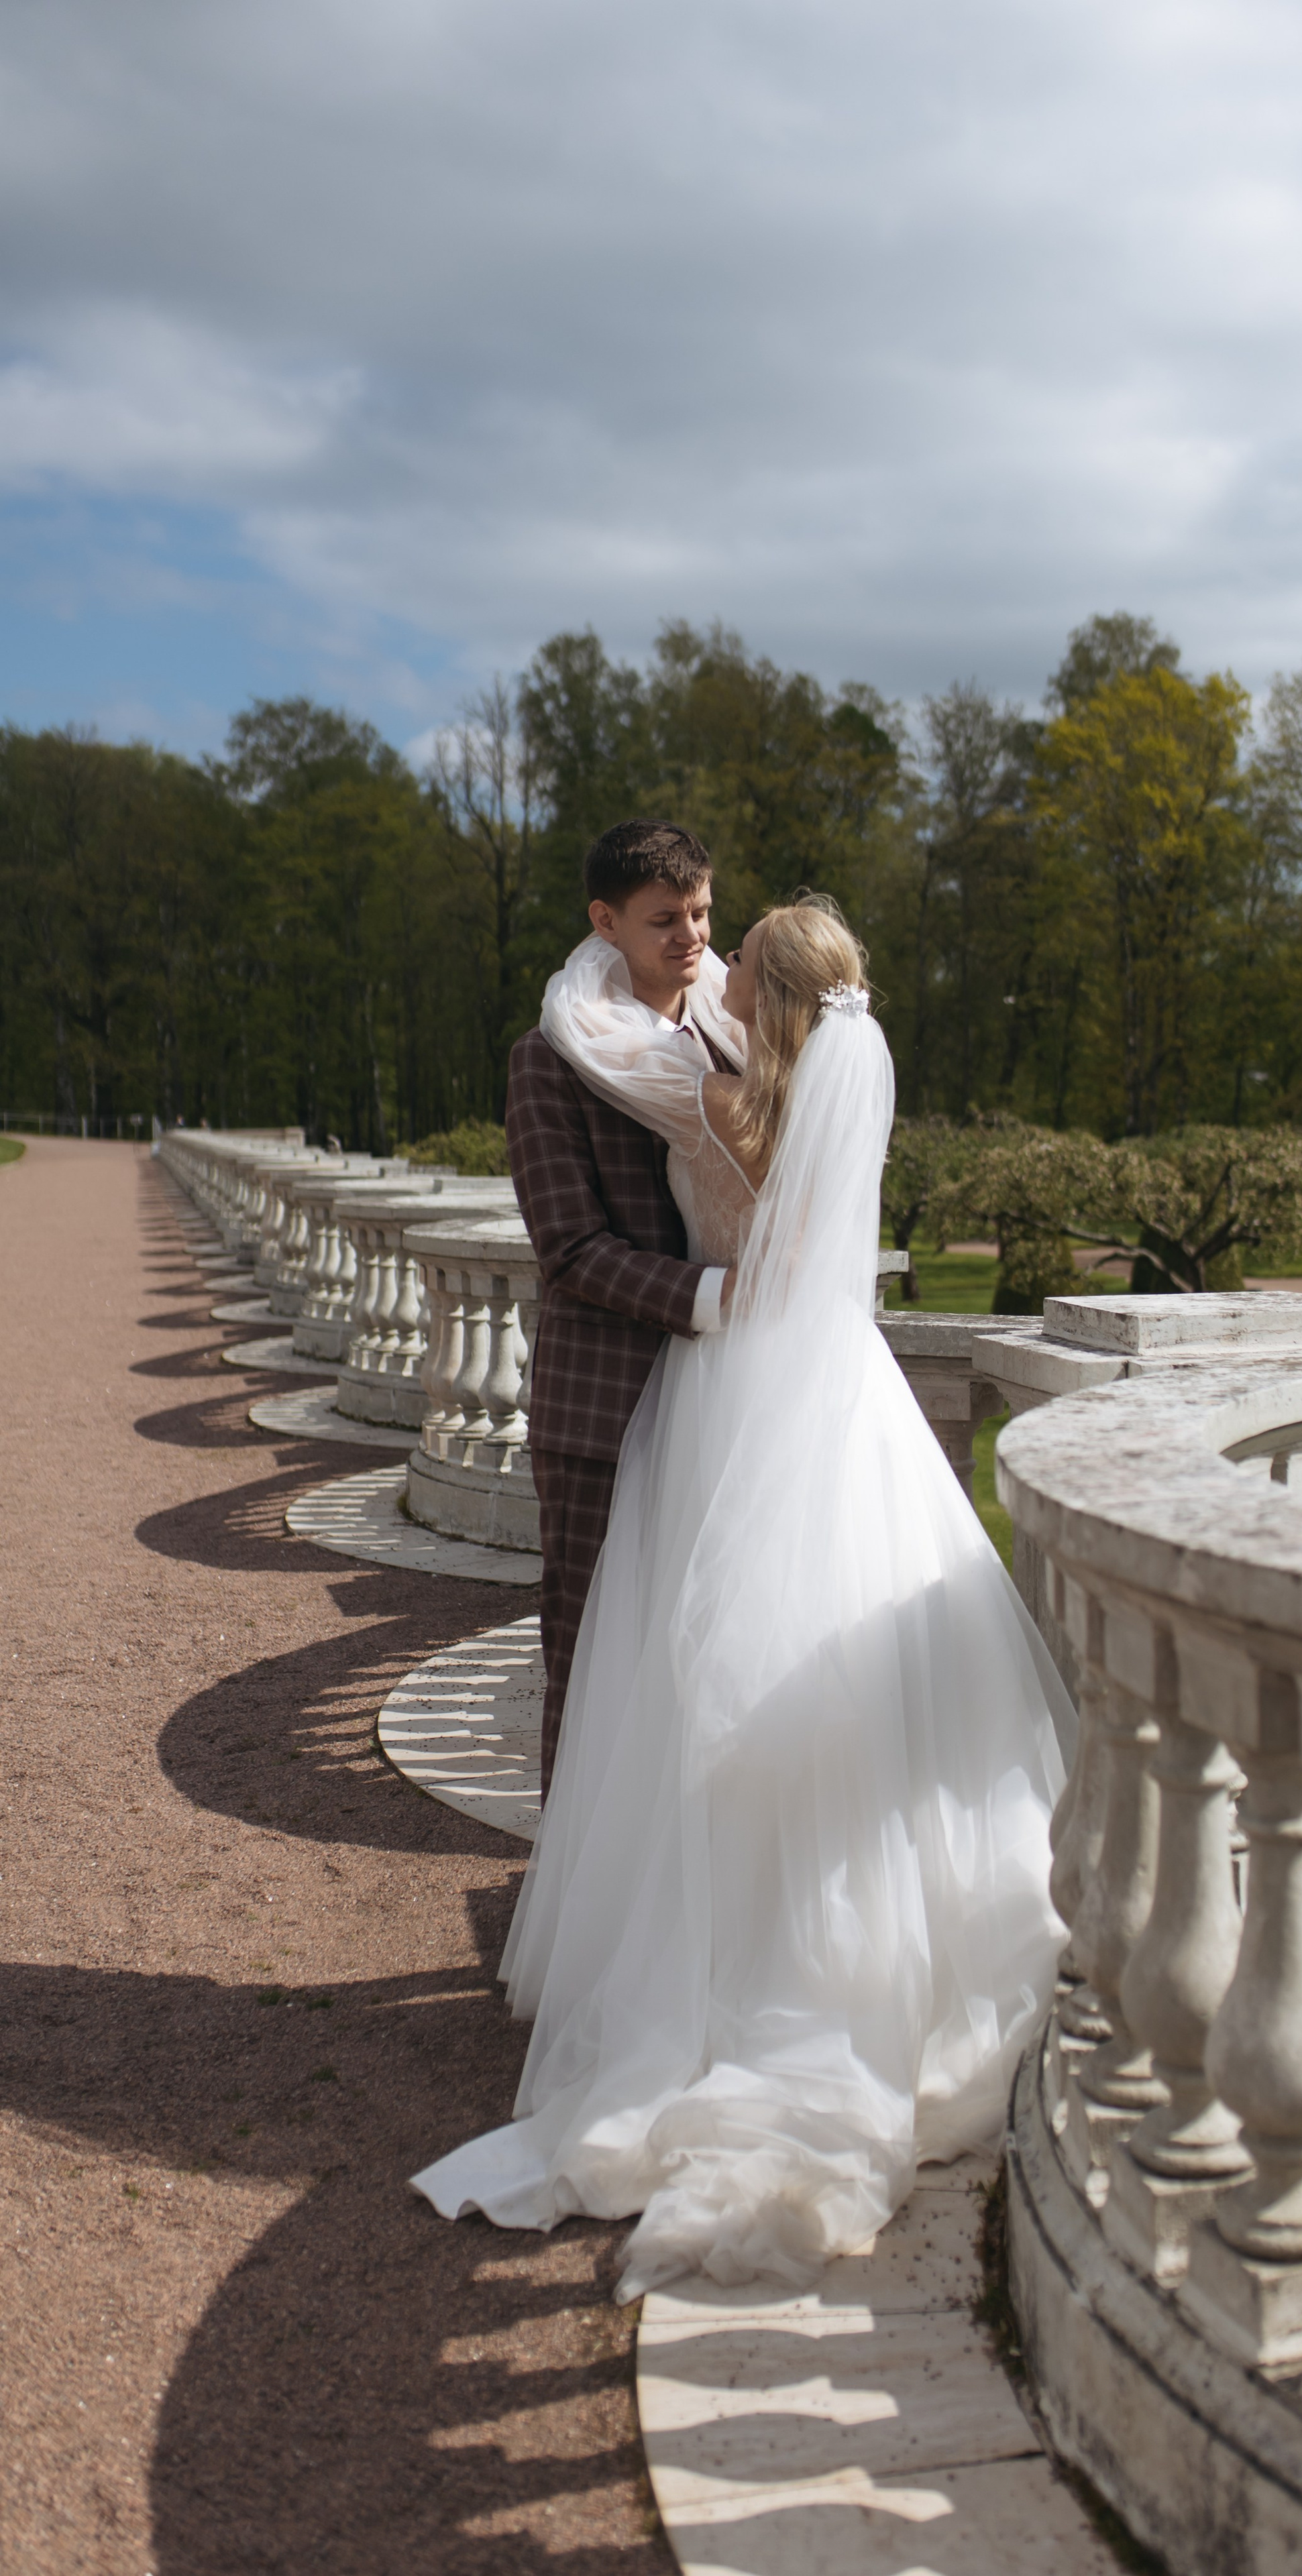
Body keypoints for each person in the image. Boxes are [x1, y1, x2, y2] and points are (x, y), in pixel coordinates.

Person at [414, 896, 1070, 2298]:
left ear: (761, 1000)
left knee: (692, 1667)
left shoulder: (710, 1101)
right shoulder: (832, 1095)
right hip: (840, 1383)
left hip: (731, 1388)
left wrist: (605, 958)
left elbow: (590, 1039)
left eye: (732, 952)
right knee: (847, 1666)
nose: (707, 961)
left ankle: (726, 1958)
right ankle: (864, 1948)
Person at [505, 820, 745, 1795]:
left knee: (708, 1660)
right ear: (605, 922)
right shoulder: (547, 1059)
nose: (692, 937)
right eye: (665, 920)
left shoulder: (740, 1037)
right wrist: (721, 1298)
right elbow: (568, 1249)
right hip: (604, 1407)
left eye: (702, 913)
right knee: (593, 1662)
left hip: (729, 1405)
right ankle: (574, 1883)